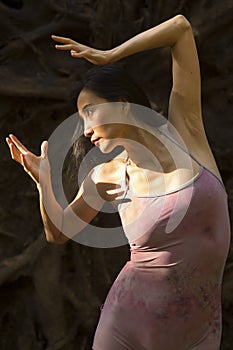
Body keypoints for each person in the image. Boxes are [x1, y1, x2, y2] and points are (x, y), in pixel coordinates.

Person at [6, 15, 230, 350]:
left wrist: (111, 55)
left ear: (123, 105)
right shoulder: (109, 175)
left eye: (90, 113)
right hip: (126, 328)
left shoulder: (186, 130)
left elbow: (181, 29)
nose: (84, 130)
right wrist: (44, 185)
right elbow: (59, 233)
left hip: (199, 334)